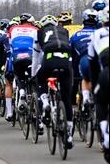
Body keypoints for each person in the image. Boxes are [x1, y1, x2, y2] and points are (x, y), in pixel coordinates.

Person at [34, 14, 74, 149]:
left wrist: (35, 74)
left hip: (49, 60)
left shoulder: (39, 32)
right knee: (67, 99)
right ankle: (69, 135)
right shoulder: (64, 30)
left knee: (40, 80)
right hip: (65, 60)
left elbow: (36, 55)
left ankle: (45, 102)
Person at [5, 13, 38, 123]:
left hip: (17, 56)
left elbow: (10, 45)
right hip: (30, 55)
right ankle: (34, 101)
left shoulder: (13, 29)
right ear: (31, 22)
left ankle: (22, 92)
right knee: (34, 79)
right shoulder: (35, 29)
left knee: (19, 75)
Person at [88, 6, 109, 162]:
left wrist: (95, 86)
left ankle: (106, 137)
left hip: (105, 72)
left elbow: (92, 63)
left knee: (100, 101)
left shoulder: (97, 33)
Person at [70, 9, 99, 109]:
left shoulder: (75, 35)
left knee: (77, 78)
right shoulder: (100, 33)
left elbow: (72, 55)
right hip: (98, 62)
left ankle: (76, 104)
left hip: (83, 61)